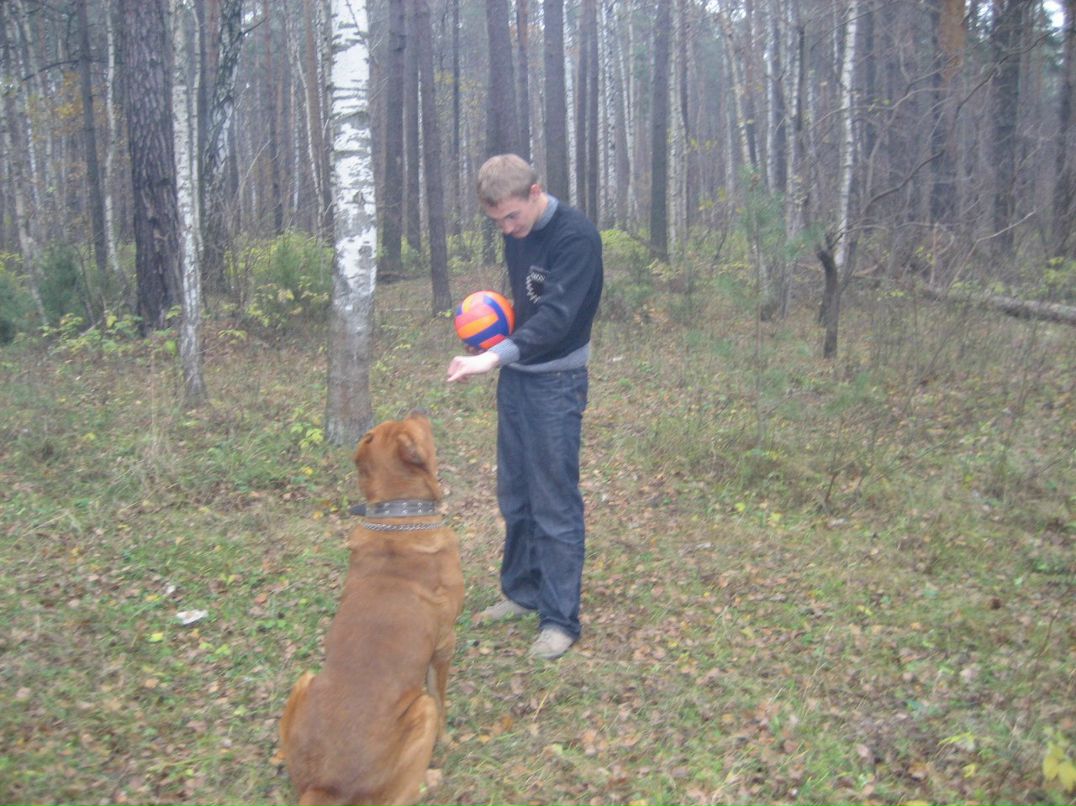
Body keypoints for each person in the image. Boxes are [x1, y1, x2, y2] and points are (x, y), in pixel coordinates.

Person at [446, 154, 603, 660]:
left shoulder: (575, 238)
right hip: (517, 378)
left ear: (535, 192)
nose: (508, 230)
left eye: (512, 217)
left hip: (556, 384)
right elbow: (524, 308)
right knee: (515, 495)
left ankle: (560, 620)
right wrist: (494, 342)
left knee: (554, 503)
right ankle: (522, 591)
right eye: (497, 222)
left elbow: (557, 319)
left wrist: (494, 356)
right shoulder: (518, 232)